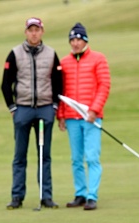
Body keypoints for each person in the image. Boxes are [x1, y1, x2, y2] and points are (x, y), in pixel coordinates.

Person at [1, 17, 63, 210]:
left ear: (42, 31)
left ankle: (46, 196)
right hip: (23, 110)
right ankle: (17, 196)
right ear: (25, 32)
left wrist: (54, 106)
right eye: (30, 30)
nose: (34, 33)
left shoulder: (52, 54)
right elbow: (5, 84)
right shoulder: (14, 54)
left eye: (37, 30)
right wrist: (12, 107)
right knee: (20, 155)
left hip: (45, 110)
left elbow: (58, 83)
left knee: (44, 155)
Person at [57, 23, 111, 210]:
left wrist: (94, 110)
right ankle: (80, 194)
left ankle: (92, 195)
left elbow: (104, 86)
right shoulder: (64, 62)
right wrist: (61, 115)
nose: (75, 43)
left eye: (78, 39)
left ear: (85, 40)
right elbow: (61, 91)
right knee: (76, 158)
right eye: (72, 39)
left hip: (91, 117)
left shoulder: (98, 59)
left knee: (92, 157)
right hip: (72, 117)